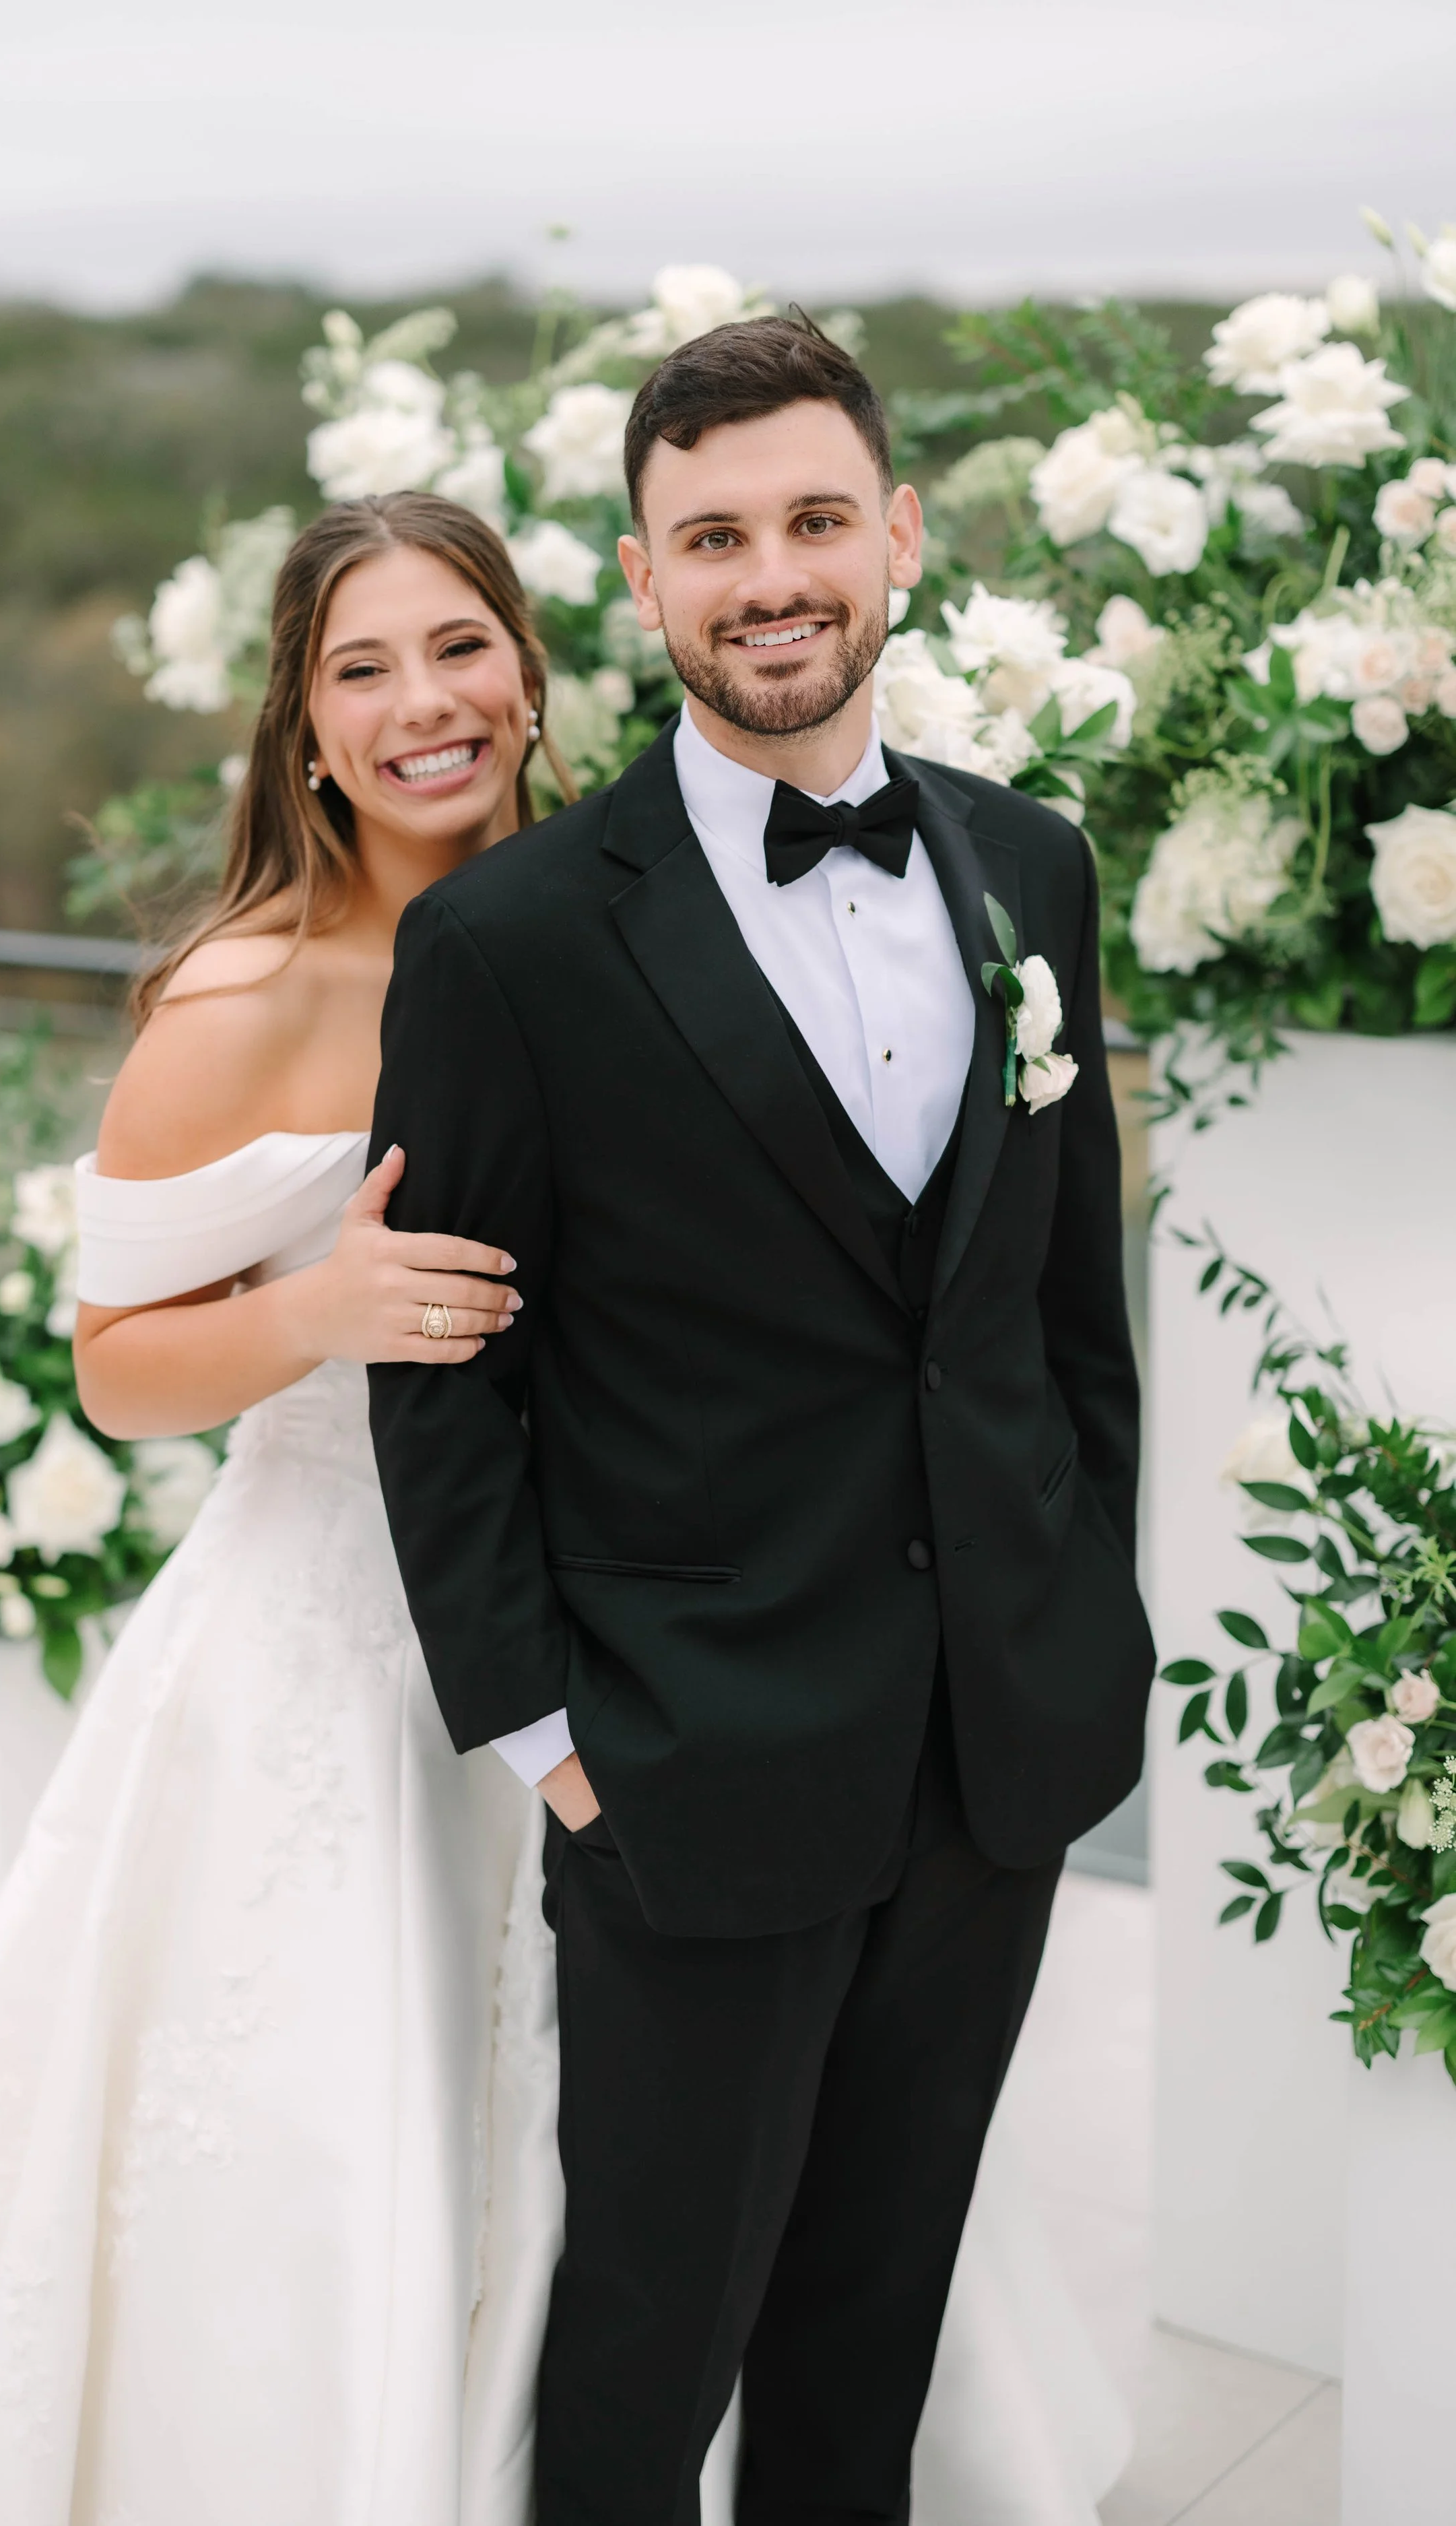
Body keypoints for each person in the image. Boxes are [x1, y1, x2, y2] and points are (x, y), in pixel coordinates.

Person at [367, 317, 1156, 2526]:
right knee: (645, 2344)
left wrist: (1081, 1600)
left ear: (897, 534)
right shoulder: (512, 944)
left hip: (988, 1748)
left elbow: (1057, 1302)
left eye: (814, 519)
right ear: (642, 579)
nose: (769, 574)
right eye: (711, 536)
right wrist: (547, 1737)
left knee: (869, 2330)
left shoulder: (1034, 867)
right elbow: (443, 1372)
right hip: (684, 1754)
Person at [0, 492, 570, 2526]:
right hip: (323, 1642)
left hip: (593, 1611)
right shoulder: (243, 992)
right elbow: (113, 1363)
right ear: (302, 727)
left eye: (456, 646)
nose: (421, 705)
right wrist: (312, 1309)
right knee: (321, 2119)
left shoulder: (609, 916)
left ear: (529, 665)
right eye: (362, 667)